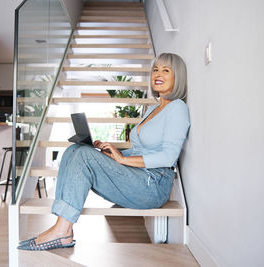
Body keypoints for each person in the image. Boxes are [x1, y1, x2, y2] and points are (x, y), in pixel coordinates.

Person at [18, 53, 191, 251]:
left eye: (166, 70)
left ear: (177, 77)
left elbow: (169, 157)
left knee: (83, 155)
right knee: (75, 149)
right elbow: (140, 149)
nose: (158, 74)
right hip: (137, 177)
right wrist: (114, 153)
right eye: (155, 69)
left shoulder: (177, 108)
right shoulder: (152, 109)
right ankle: (62, 226)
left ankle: (62, 231)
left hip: (153, 185)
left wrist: (122, 161)